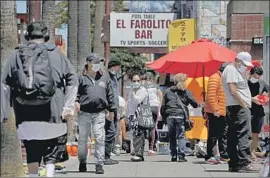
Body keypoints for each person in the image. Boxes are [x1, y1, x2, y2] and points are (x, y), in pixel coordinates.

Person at [1, 21, 78, 177]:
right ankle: (49, 174)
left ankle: (32, 176)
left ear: (27, 36)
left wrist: (3, 113)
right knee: (51, 152)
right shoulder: (57, 54)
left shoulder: (16, 55)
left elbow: (4, 84)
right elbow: (73, 79)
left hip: (25, 115)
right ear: (46, 36)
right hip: (53, 114)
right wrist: (68, 107)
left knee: (31, 149)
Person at [76, 53, 117, 174]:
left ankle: (99, 164)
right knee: (83, 139)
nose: (97, 65)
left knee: (100, 137)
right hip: (84, 113)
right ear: (88, 63)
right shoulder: (81, 77)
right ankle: (82, 161)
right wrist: (76, 102)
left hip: (99, 112)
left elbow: (110, 93)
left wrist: (112, 109)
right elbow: (75, 92)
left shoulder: (104, 77)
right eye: (95, 62)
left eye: (99, 62)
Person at [222, 51, 259, 172]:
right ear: (238, 60)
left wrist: (251, 99)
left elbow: (238, 91)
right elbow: (233, 90)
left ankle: (234, 163)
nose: (246, 67)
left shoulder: (234, 70)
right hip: (239, 107)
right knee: (243, 134)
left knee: (232, 135)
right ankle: (244, 162)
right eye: (244, 64)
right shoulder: (232, 70)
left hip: (234, 106)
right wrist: (244, 104)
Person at [162, 73, 199, 162]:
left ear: (174, 81)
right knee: (181, 136)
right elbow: (195, 104)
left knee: (172, 136)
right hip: (181, 116)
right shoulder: (186, 91)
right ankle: (181, 156)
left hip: (170, 115)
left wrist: (164, 118)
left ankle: (173, 155)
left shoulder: (167, 91)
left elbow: (163, 106)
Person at [205, 63, 229, 164]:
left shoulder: (222, 78)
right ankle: (210, 155)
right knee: (213, 134)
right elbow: (211, 95)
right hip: (216, 111)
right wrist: (216, 109)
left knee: (222, 134)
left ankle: (223, 155)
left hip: (222, 110)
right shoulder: (215, 78)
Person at [248, 66, 269, 162]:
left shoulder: (262, 83)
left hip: (258, 111)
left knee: (256, 133)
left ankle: (253, 152)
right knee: (247, 133)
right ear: (251, 74)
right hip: (247, 110)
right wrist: (253, 99)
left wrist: (265, 99)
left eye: (258, 77)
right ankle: (246, 152)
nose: (256, 79)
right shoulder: (245, 83)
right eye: (255, 76)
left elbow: (268, 91)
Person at [127, 73, 149, 162]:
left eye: (138, 80)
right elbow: (129, 103)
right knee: (135, 134)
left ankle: (139, 154)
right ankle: (137, 152)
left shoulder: (143, 90)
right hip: (133, 115)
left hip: (140, 115)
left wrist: (133, 93)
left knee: (139, 133)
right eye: (134, 81)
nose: (136, 82)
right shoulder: (131, 90)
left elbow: (137, 100)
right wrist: (128, 114)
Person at [104, 58, 121, 165]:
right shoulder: (106, 77)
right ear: (114, 66)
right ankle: (106, 156)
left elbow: (115, 95)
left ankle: (107, 155)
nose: (119, 69)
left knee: (112, 131)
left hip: (114, 109)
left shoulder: (114, 77)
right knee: (109, 132)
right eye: (118, 67)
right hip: (108, 109)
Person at [144, 71, 163, 155]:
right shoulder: (155, 86)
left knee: (143, 127)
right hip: (154, 107)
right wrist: (160, 107)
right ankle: (151, 147)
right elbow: (160, 96)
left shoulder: (142, 86)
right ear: (152, 78)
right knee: (152, 128)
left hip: (145, 108)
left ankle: (141, 146)